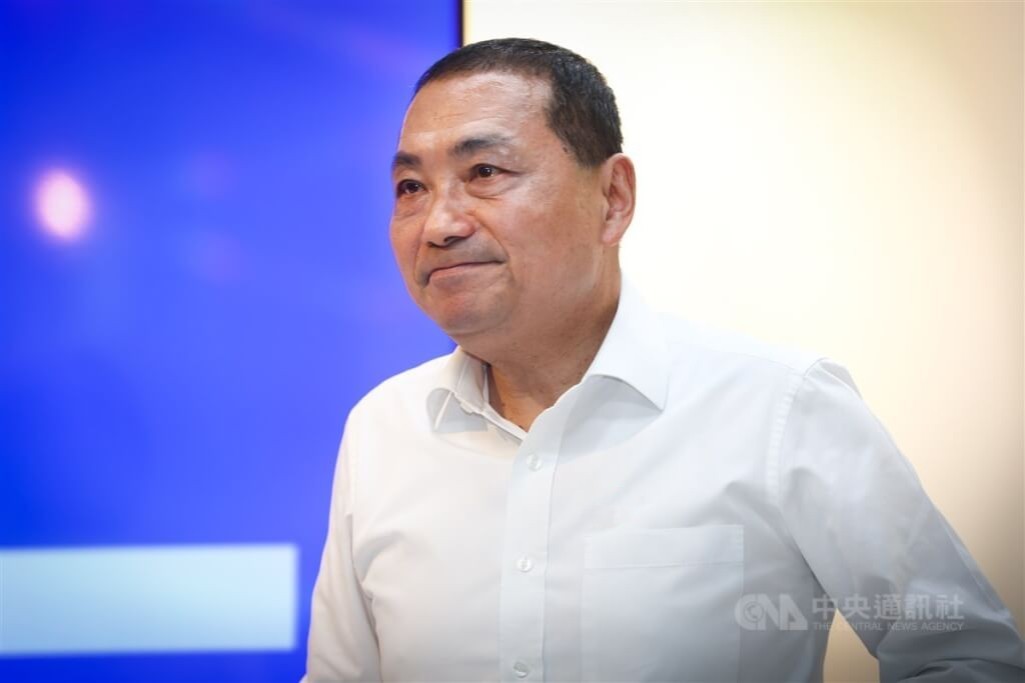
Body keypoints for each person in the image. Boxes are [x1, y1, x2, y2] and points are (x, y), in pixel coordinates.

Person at [303, 38, 1025, 682]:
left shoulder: (779, 408)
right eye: (410, 187)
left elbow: (966, 657)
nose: (438, 223)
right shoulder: (384, 429)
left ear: (612, 198)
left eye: (485, 171)